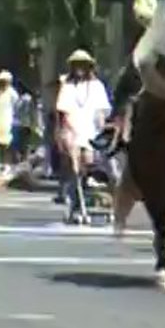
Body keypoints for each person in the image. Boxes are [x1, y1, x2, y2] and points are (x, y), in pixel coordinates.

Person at [55, 49, 111, 224]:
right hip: (73, 131)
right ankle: (75, 205)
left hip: (91, 132)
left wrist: (103, 133)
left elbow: (102, 112)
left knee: (89, 166)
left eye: (83, 65)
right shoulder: (67, 86)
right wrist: (65, 134)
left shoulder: (97, 86)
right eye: (76, 65)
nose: (79, 68)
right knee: (74, 168)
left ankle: (85, 200)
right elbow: (63, 113)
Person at [0, 70, 19, 171]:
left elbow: (16, 108)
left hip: (9, 122)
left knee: (9, 145)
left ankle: (9, 165)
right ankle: (0, 164)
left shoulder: (13, 94)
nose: (3, 83)